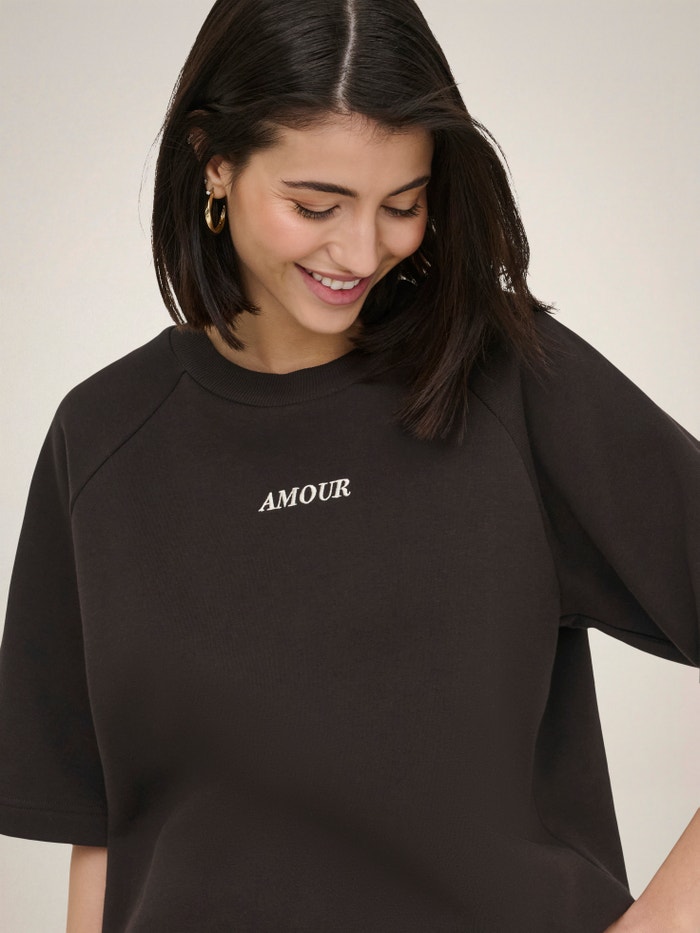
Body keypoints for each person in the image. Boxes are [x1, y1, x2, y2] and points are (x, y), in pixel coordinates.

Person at [0, 0, 698, 930]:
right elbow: (104, 831)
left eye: (402, 204)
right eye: (315, 205)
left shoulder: (510, 383)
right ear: (214, 161)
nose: (362, 250)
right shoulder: (100, 437)